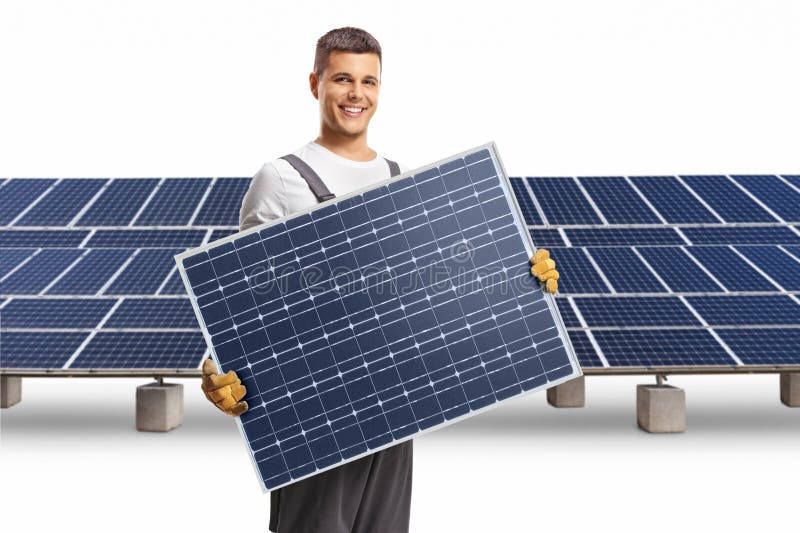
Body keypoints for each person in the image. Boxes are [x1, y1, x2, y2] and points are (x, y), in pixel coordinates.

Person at [201, 26, 560, 533]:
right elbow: (240, 303)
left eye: (369, 82)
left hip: (395, 414)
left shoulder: (403, 179)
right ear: (315, 83)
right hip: (314, 418)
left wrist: (524, 284)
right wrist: (216, 370)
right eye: (343, 79)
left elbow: (437, 295)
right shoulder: (280, 179)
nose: (356, 94)